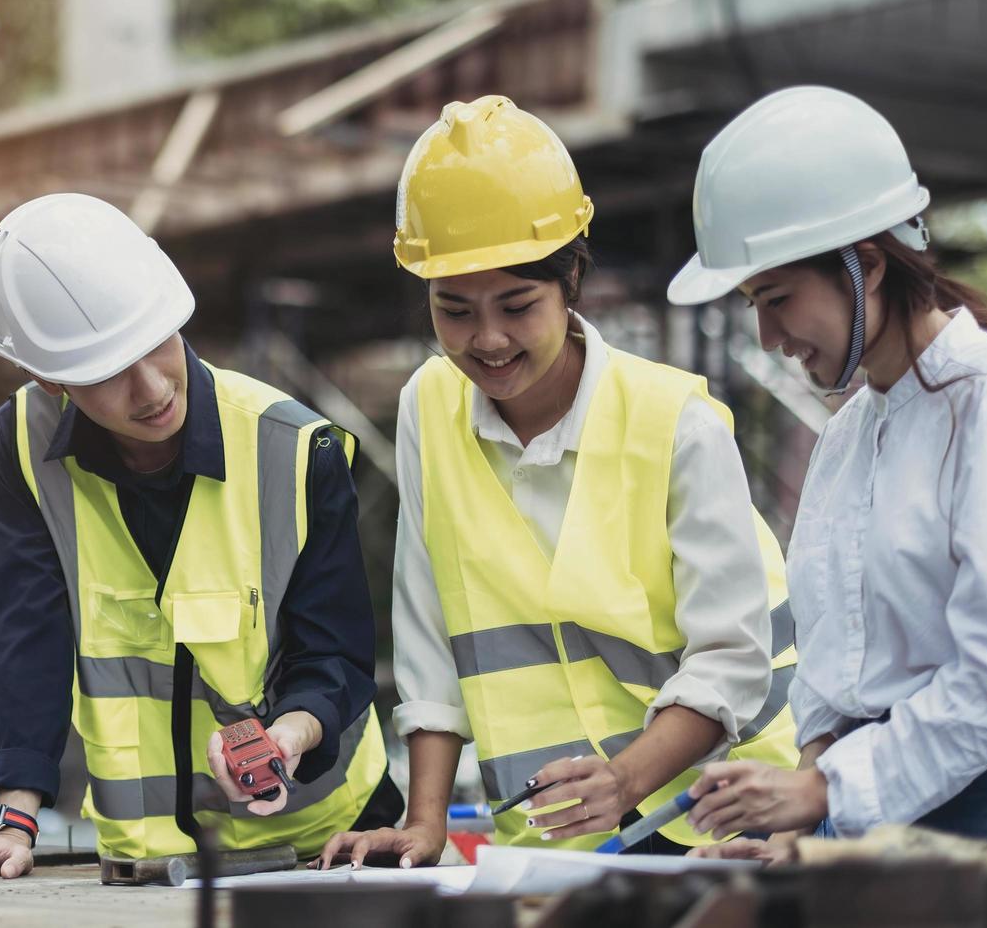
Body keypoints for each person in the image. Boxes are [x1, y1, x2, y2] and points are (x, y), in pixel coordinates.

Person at [317, 96, 798, 869]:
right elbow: (427, 627)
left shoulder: (677, 421)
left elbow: (731, 657)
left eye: (517, 305)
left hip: (730, 814)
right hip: (560, 837)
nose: (489, 339)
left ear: (571, 277)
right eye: (454, 311)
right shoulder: (427, 406)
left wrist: (625, 778)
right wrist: (425, 820)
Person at [0, 193, 399, 880]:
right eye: (106, 374)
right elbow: (26, 633)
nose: (151, 388)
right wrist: (14, 817)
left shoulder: (295, 450)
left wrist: (287, 737)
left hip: (324, 846)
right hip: (146, 870)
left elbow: (337, 657)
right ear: (51, 379)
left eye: (155, 344)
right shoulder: (22, 444)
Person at [668, 86, 987, 907]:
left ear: (870, 265)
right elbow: (829, 657)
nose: (769, 339)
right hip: (880, 800)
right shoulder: (852, 433)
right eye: (755, 308)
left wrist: (825, 792)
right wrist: (801, 797)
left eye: (778, 299)